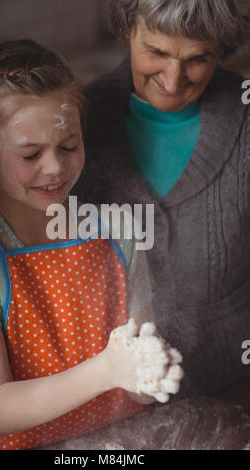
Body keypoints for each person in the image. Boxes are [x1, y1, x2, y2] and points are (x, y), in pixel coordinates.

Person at [0, 39, 183, 450]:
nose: (54, 167)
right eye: (30, 154)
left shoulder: (118, 232)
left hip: (121, 443)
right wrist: (108, 370)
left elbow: (139, 384)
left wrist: (151, 371)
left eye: (68, 146)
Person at [76, 0, 250, 397]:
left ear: (221, 48)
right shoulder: (78, 120)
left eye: (197, 59)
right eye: (156, 52)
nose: (172, 80)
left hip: (235, 391)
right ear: (126, 31)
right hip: (109, 403)